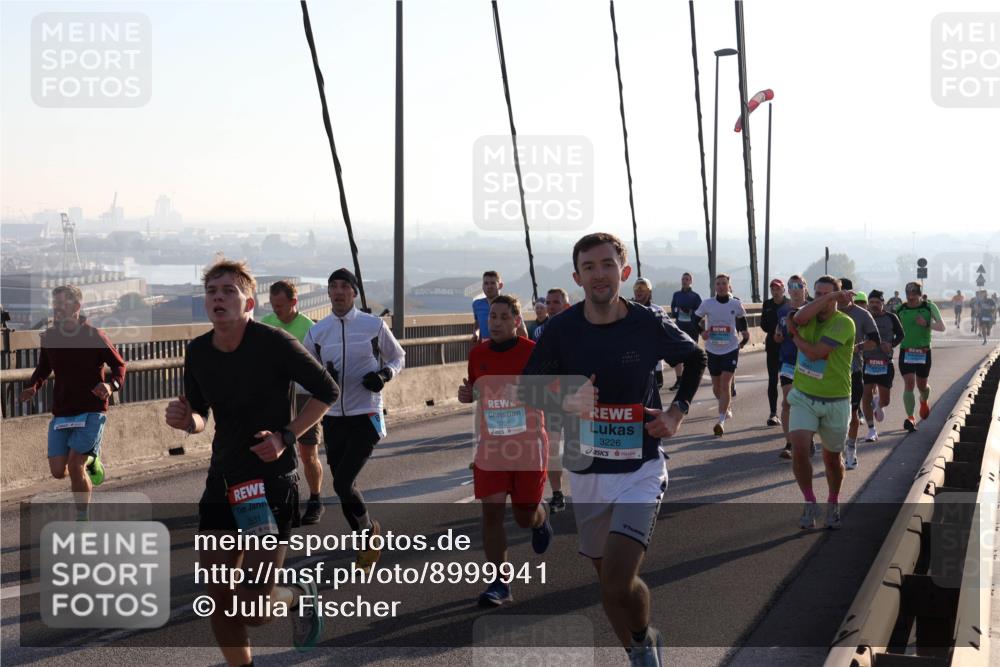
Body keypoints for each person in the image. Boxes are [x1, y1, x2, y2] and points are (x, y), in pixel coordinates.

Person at [520, 232, 706, 667]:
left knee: (621, 582)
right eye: (589, 267)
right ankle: (640, 647)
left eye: (607, 265)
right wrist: (565, 398)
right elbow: (527, 390)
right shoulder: (560, 330)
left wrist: (676, 413)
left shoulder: (646, 322)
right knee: (608, 585)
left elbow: (695, 359)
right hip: (586, 471)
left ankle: (642, 641)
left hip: (640, 467)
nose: (599, 274)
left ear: (623, 272)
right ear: (577, 277)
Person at [165, 260, 339, 662]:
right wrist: (186, 421)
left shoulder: (274, 343)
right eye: (212, 292)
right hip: (223, 480)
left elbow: (326, 391)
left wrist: (286, 436)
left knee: (252, 607)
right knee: (219, 597)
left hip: (270, 482)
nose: (218, 298)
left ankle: (298, 595)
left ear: (249, 303)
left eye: (228, 291)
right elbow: (200, 415)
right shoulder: (198, 351)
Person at [304, 268, 406, 570]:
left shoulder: (372, 325)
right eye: (332, 286)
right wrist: (323, 379)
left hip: (368, 413)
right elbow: (304, 377)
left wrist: (384, 374)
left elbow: (398, 357)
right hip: (333, 417)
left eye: (344, 286)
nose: (338, 291)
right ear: (328, 293)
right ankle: (366, 535)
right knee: (341, 485)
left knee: (345, 481)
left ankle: (366, 535)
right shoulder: (317, 331)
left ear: (354, 292)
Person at [458, 295, 553, 606]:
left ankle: (540, 518)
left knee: (524, 516)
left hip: (528, 446)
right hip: (491, 446)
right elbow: (473, 390)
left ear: (516, 321)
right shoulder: (478, 354)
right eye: (492, 317)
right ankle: (499, 582)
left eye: (502, 317)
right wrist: (466, 395)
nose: (495, 322)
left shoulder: (534, 353)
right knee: (491, 513)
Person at [20, 284, 126, 521]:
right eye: (55, 304)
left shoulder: (94, 335)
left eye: (62, 304)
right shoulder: (49, 337)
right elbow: (44, 368)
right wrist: (33, 386)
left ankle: (82, 518)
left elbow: (119, 364)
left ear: (77, 307)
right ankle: (92, 460)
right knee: (59, 471)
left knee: (75, 465)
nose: (57, 309)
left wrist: (111, 385)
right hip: (63, 411)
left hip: (91, 410)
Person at [786, 276, 856, 530]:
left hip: (836, 400)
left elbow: (816, 353)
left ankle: (833, 501)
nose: (821, 299)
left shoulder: (844, 323)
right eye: (817, 294)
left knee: (831, 458)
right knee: (800, 448)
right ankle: (809, 501)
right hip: (804, 396)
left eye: (828, 295)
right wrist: (826, 298)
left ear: (838, 299)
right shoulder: (806, 316)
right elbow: (798, 319)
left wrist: (794, 336)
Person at [261, 280, 324, 525]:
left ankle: (315, 499)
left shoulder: (309, 328)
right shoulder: (266, 325)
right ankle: (279, 500)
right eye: (273, 305)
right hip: (275, 397)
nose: (276, 310)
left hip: (304, 397)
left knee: (307, 453)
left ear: (293, 302)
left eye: (280, 305)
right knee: (273, 449)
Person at [695, 274, 750, 436]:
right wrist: (702, 332)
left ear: (728, 286)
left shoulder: (735, 303)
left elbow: (741, 318)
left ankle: (721, 420)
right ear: (714, 287)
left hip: (731, 348)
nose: (720, 286)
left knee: (725, 384)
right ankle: (725, 406)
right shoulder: (707, 304)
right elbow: (694, 319)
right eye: (718, 284)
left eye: (723, 283)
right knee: (716, 386)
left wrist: (745, 332)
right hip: (712, 349)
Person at [837, 281, 880, 471]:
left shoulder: (862, 315)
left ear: (852, 294)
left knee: (852, 413)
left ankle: (851, 449)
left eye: (846, 293)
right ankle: (836, 452)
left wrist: (856, 348)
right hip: (828, 372)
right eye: (839, 292)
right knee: (833, 415)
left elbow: (874, 341)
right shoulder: (825, 312)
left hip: (853, 370)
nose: (843, 296)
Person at [537, 287, 572, 513]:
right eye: (548, 302)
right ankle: (557, 493)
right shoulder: (540, 331)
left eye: (556, 302)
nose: (551, 306)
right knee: (552, 448)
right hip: (551, 398)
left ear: (566, 305)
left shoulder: (577, 330)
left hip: (575, 395)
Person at [896, 282, 945, 432]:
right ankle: (910, 417)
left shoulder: (929, 307)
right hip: (906, 351)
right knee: (909, 383)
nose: (910, 296)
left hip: (923, 352)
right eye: (908, 293)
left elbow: (942, 327)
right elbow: (892, 329)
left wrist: (926, 324)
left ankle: (923, 401)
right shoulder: (901, 309)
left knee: (922, 385)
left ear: (919, 294)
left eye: (914, 293)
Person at [861, 290, 904, 442]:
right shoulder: (864, 316)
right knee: (865, 396)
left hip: (885, 363)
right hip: (867, 362)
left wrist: (891, 345)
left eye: (877, 302)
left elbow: (901, 334)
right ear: (868, 304)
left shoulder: (891, 317)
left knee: (886, 401)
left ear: (882, 304)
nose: (874, 305)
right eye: (871, 302)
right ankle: (871, 430)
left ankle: (879, 403)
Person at [775, 276, 808, 460]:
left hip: (810, 362)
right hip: (788, 361)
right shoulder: (782, 310)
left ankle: (807, 437)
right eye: (791, 286)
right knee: (788, 401)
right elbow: (777, 334)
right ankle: (789, 443)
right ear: (788, 289)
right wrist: (778, 336)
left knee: (806, 403)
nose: (795, 289)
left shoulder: (813, 309)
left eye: (799, 286)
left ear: (805, 288)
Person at [760, 278, 788, 427]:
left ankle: (790, 409)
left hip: (788, 347)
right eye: (773, 289)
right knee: (772, 380)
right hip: (772, 346)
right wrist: (774, 330)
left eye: (778, 289)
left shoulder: (789, 304)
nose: (775, 292)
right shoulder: (767, 304)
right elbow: (763, 324)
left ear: (783, 290)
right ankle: (773, 413)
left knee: (789, 381)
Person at [669, 272, 703, 392]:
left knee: (691, 356)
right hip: (679, 327)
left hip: (692, 328)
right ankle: (679, 380)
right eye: (683, 279)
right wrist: (677, 310)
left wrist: (690, 311)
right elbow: (672, 309)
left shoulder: (695, 296)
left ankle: (690, 380)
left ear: (691, 281)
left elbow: (701, 312)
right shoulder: (676, 295)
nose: (685, 281)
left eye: (687, 279)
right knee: (677, 354)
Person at [472, 270, 528, 342]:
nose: (489, 286)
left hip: (506, 345)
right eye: (486, 283)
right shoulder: (477, 304)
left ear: (500, 285)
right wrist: (475, 333)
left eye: (493, 283)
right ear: (482, 286)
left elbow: (523, 332)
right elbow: (477, 322)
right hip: (486, 347)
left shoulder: (510, 304)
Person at [632, 277, 666, 390]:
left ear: (649, 291)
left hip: (655, 364)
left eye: (643, 288)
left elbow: (665, 332)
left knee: (654, 396)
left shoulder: (658, 310)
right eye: (637, 288)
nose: (639, 290)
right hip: (635, 363)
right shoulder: (628, 310)